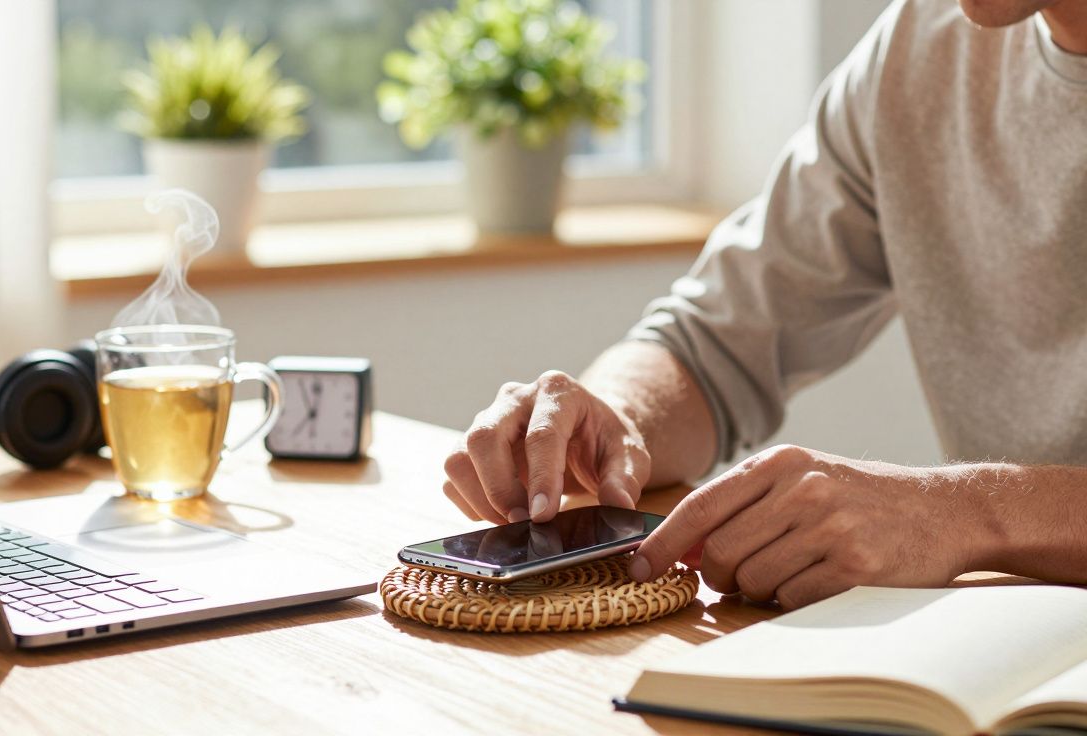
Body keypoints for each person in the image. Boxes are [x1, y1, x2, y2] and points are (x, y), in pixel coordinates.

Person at [441, 0, 1087, 609]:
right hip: (1011, 633)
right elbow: (716, 342)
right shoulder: (920, 45)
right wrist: (616, 419)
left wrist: (963, 513)